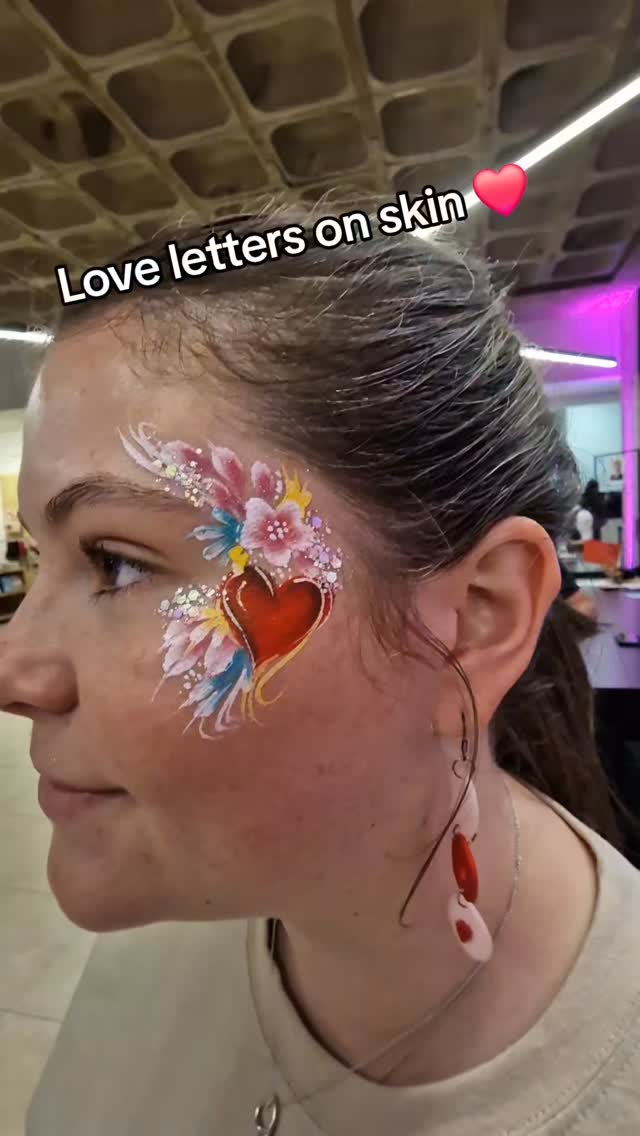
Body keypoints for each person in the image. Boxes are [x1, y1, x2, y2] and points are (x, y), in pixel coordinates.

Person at [2, 211, 638, 1136]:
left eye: (119, 562)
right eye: (38, 558)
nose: (13, 672)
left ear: (474, 620)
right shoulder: (189, 899)